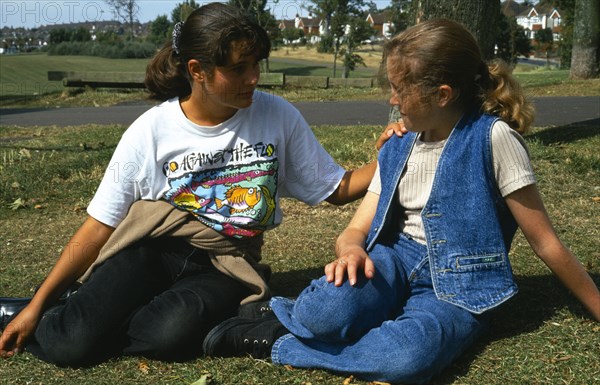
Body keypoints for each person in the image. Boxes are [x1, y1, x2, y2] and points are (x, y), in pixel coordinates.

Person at [0, 3, 401, 366]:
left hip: (226, 263)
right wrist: (38, 304)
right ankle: (61, 310)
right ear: (197, 71)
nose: (254, 78)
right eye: (239, 69)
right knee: (71, 347)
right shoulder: (153, 131)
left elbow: (336, 189)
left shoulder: (276, 116)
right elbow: (98, 225)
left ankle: (93, 312)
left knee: (167, 337)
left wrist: (388, 156)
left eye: (257, 64)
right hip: (153, 251)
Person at [202, 19, 600, 384]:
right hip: (393, 259)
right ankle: (290, 312)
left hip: (459, 285)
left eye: (399, 90)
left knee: (405, 358)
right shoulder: (398, 143)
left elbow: (545, 242)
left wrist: (596, 305)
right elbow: (356, 229)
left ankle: (274, 340)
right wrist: (351, 251)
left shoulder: (494, 140)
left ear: (442, 94)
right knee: (322, 313)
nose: (392, 100)